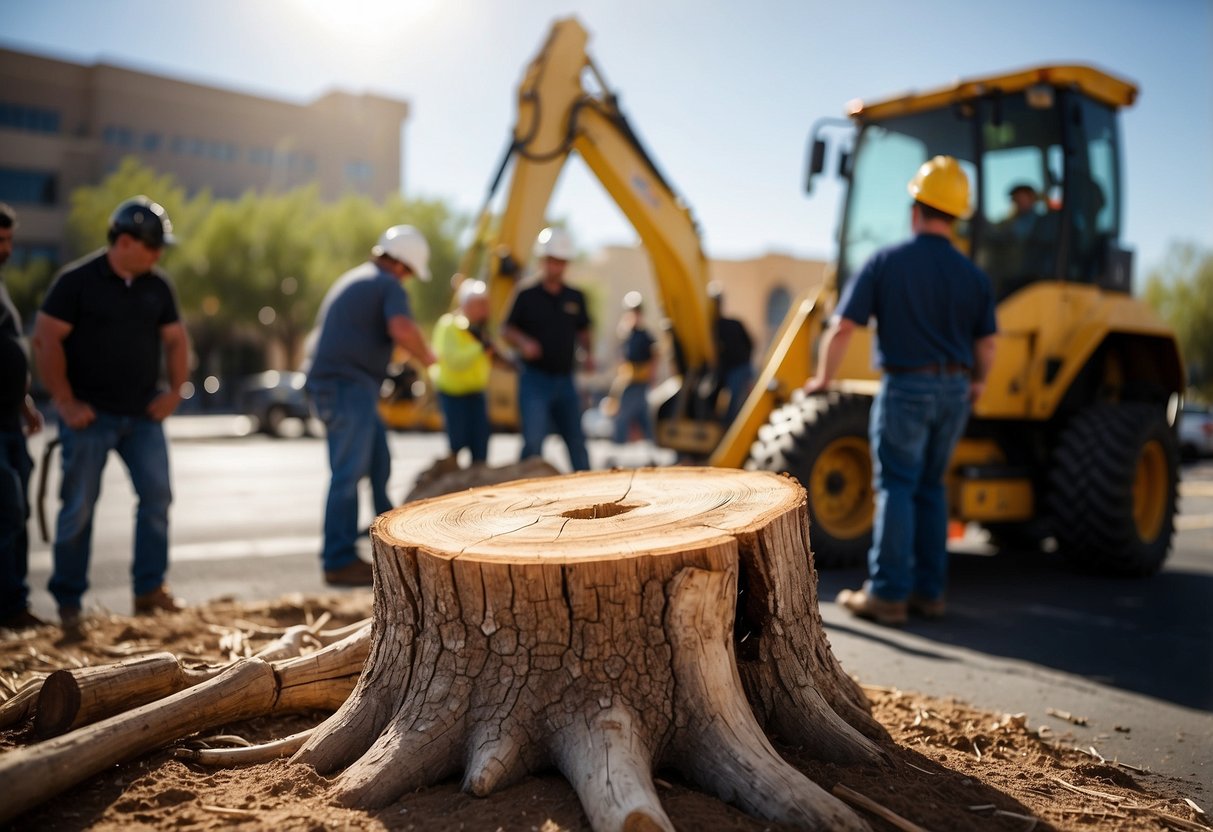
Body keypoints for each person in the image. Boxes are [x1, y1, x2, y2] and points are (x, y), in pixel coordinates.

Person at [805, 156, 997, 626]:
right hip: (954, 390)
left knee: (896, 485)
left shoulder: (886, 262)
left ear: (916, 208)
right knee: (931, 487)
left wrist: (823, 379)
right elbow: (987, 344)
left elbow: (844, 327)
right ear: (956, 216)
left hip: (907, 386)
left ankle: (888, 594)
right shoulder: (974, 276)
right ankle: (929, 594)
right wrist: (977, 383)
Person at [33, 196, 190, 631]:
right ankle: (68, 602)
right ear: (124, 241)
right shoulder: (76, 282)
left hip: (143, 416)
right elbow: (45, 340)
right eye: (153, 245)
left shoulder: (157, 286)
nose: (159, 254)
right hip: (89, 417)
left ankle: (149, 590)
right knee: (79, 506)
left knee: (158, 499)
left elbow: (177, 340)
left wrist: (175, 391)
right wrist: (64, 400)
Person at [306, 224, 435, 587]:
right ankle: (338, 559)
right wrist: (428, 357)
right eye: (410, 273)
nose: (407, 281)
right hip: (347, 388)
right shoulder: (386, 284)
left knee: (379, 464)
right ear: (402, 265)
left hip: (343, 387)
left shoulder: (357, 279)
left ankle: (389, 548)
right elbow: (401, 327)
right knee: (347, 475)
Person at [503, 227, 594, 471]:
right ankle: (522, 493)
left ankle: (590, 491)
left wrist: (588, 354)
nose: (557, 267)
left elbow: (584, 329)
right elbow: (506, 329)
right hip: (534, 380)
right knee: (533, 440)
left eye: (562, 262)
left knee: (576, 440)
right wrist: (524, 343)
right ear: (543, 261)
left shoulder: (576, 297)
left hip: (566, 380)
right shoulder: (525, 294)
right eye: (553, 261)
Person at [0, 203, 46, 630]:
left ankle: (14, 606)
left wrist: (24, 401)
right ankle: (9, 607)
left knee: (17, 515)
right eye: (1, 241)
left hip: (10, 420)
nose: (8, 250)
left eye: (10, 240)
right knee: (7, 510)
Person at [430, 278, 492, 464]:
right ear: (466, 304)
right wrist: (480, 348)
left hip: (476, 392)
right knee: (456, 442)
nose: (483, 309)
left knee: (480, 444)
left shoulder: (479, 330)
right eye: (478, 304)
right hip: (453, 393)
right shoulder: (450, 325)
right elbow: (454, 360)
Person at [606, 291, 656, 462]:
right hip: (628, 380)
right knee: (638, 416)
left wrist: (651, 375)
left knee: (626, 416)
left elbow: (653, 356)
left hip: (638, 381)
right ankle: (643, 450)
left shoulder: (644, 335)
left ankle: (627, 451)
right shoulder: (627, 333)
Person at [710, 282, 754, 425]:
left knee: (734, 404)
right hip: (733, 370)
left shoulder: (725, 325)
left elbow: (751, 343)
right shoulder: (716, 326)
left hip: (739, 369)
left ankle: (730, 431)